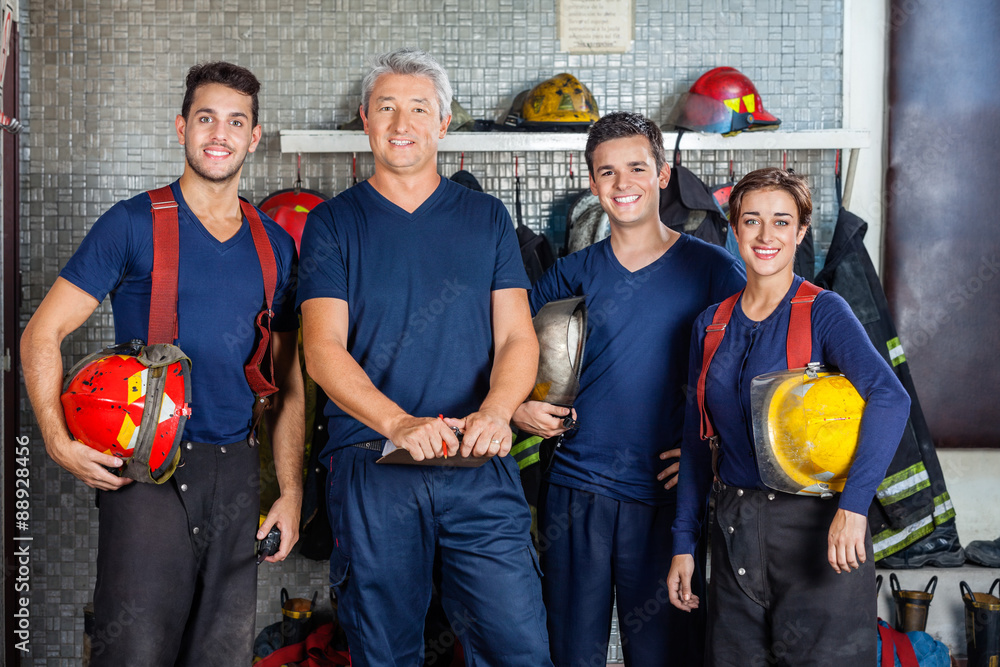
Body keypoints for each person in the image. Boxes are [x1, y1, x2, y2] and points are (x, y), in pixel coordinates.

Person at [20, 62, 304, 666]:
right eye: (206, 118)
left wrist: (290, 491)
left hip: (236, 475)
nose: (219, 133)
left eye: (236, 121)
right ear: (181, 128)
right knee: (133, 653)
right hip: (145, 477)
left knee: (221, 657)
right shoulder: (132, 223)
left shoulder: (275, 246)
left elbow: (287, 387)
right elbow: (41, 334)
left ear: (254, 136)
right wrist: (53, 435)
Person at [297, 48, 551, 666]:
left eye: (418, 108)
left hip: (476, 461)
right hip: (372, 463)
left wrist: (496, 411)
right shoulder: (332, 224)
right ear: (365, 121)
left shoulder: (487, 218)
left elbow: (519, 338)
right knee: (386, 654)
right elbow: (322, 350)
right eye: (386, 108)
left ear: (442, 124)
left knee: (518, 646)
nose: (401, 122)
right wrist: (399, 424)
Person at [512, 111, 746, 666]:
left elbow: (752, 374)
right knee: (571, 654)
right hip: (576, 491)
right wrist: (517, 406)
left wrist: (713, 454)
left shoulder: (714, 270)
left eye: (637, 168)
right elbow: (508, 346)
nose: (623, 184)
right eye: (607, 172)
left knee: (665, 655)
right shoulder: (572, 272)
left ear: (664, 174)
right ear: (592, 182)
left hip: (667, 501)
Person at [667, 167, 910, 665]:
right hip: (734, 530)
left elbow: (890, 397)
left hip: (819, 531)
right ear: (733, 229)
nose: (765, 235)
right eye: (751, 221)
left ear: (800, 233)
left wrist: (855, 507)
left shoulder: (826, 312)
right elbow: (697, 442)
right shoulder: (709, 326)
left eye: (781, 222)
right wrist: (682, 544)